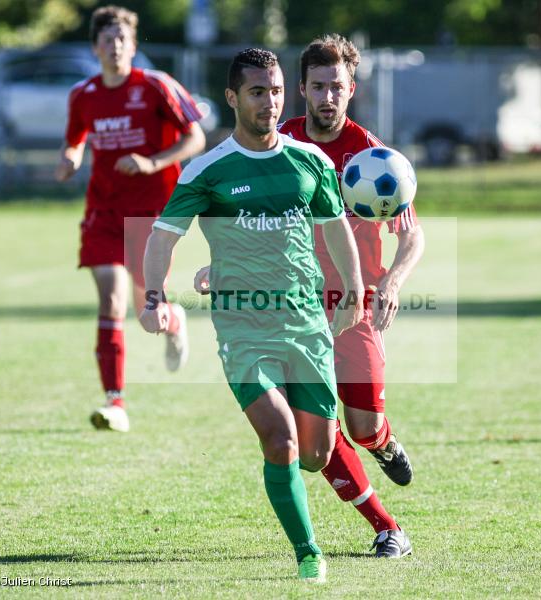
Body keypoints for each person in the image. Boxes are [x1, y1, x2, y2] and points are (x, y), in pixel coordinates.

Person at [195, 34, 424, 558]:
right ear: (300, 89)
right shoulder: (280, 145)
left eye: (336, 87)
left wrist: (390, 284)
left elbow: (412, 235)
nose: (327, 97)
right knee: (311, 434)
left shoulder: (374, 157)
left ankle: (383, 441)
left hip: (354, 306)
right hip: (292, 305)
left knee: (363, 427)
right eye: (317, 86)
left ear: (351, 90)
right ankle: (386, 527)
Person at [140, 48, 365, 583]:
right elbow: (161, 238)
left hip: (307, 324)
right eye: (258, 92)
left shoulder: (309, 162)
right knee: (280, 437)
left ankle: (304, 481)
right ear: (233, 98)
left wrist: (354, 286)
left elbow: (335, 228)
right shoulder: (207, 171)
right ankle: (308, 552)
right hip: (243, 328)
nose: (270, 102)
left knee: (315, 452)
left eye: (277, 91)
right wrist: (154, 296)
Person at [55, 5, 205, 432]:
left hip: (152, 214)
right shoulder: (83, 95)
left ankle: (174, 320)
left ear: (133, 45)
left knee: (146, 309)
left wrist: (152, 162)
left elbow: (195, 137)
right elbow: (75, 141)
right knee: (111, 301)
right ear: (95, 48)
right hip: (103, 210)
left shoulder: (156, 86)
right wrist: (69, 160)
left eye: (122, 40)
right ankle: (114, 402)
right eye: (107, 41)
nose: (115, 47)